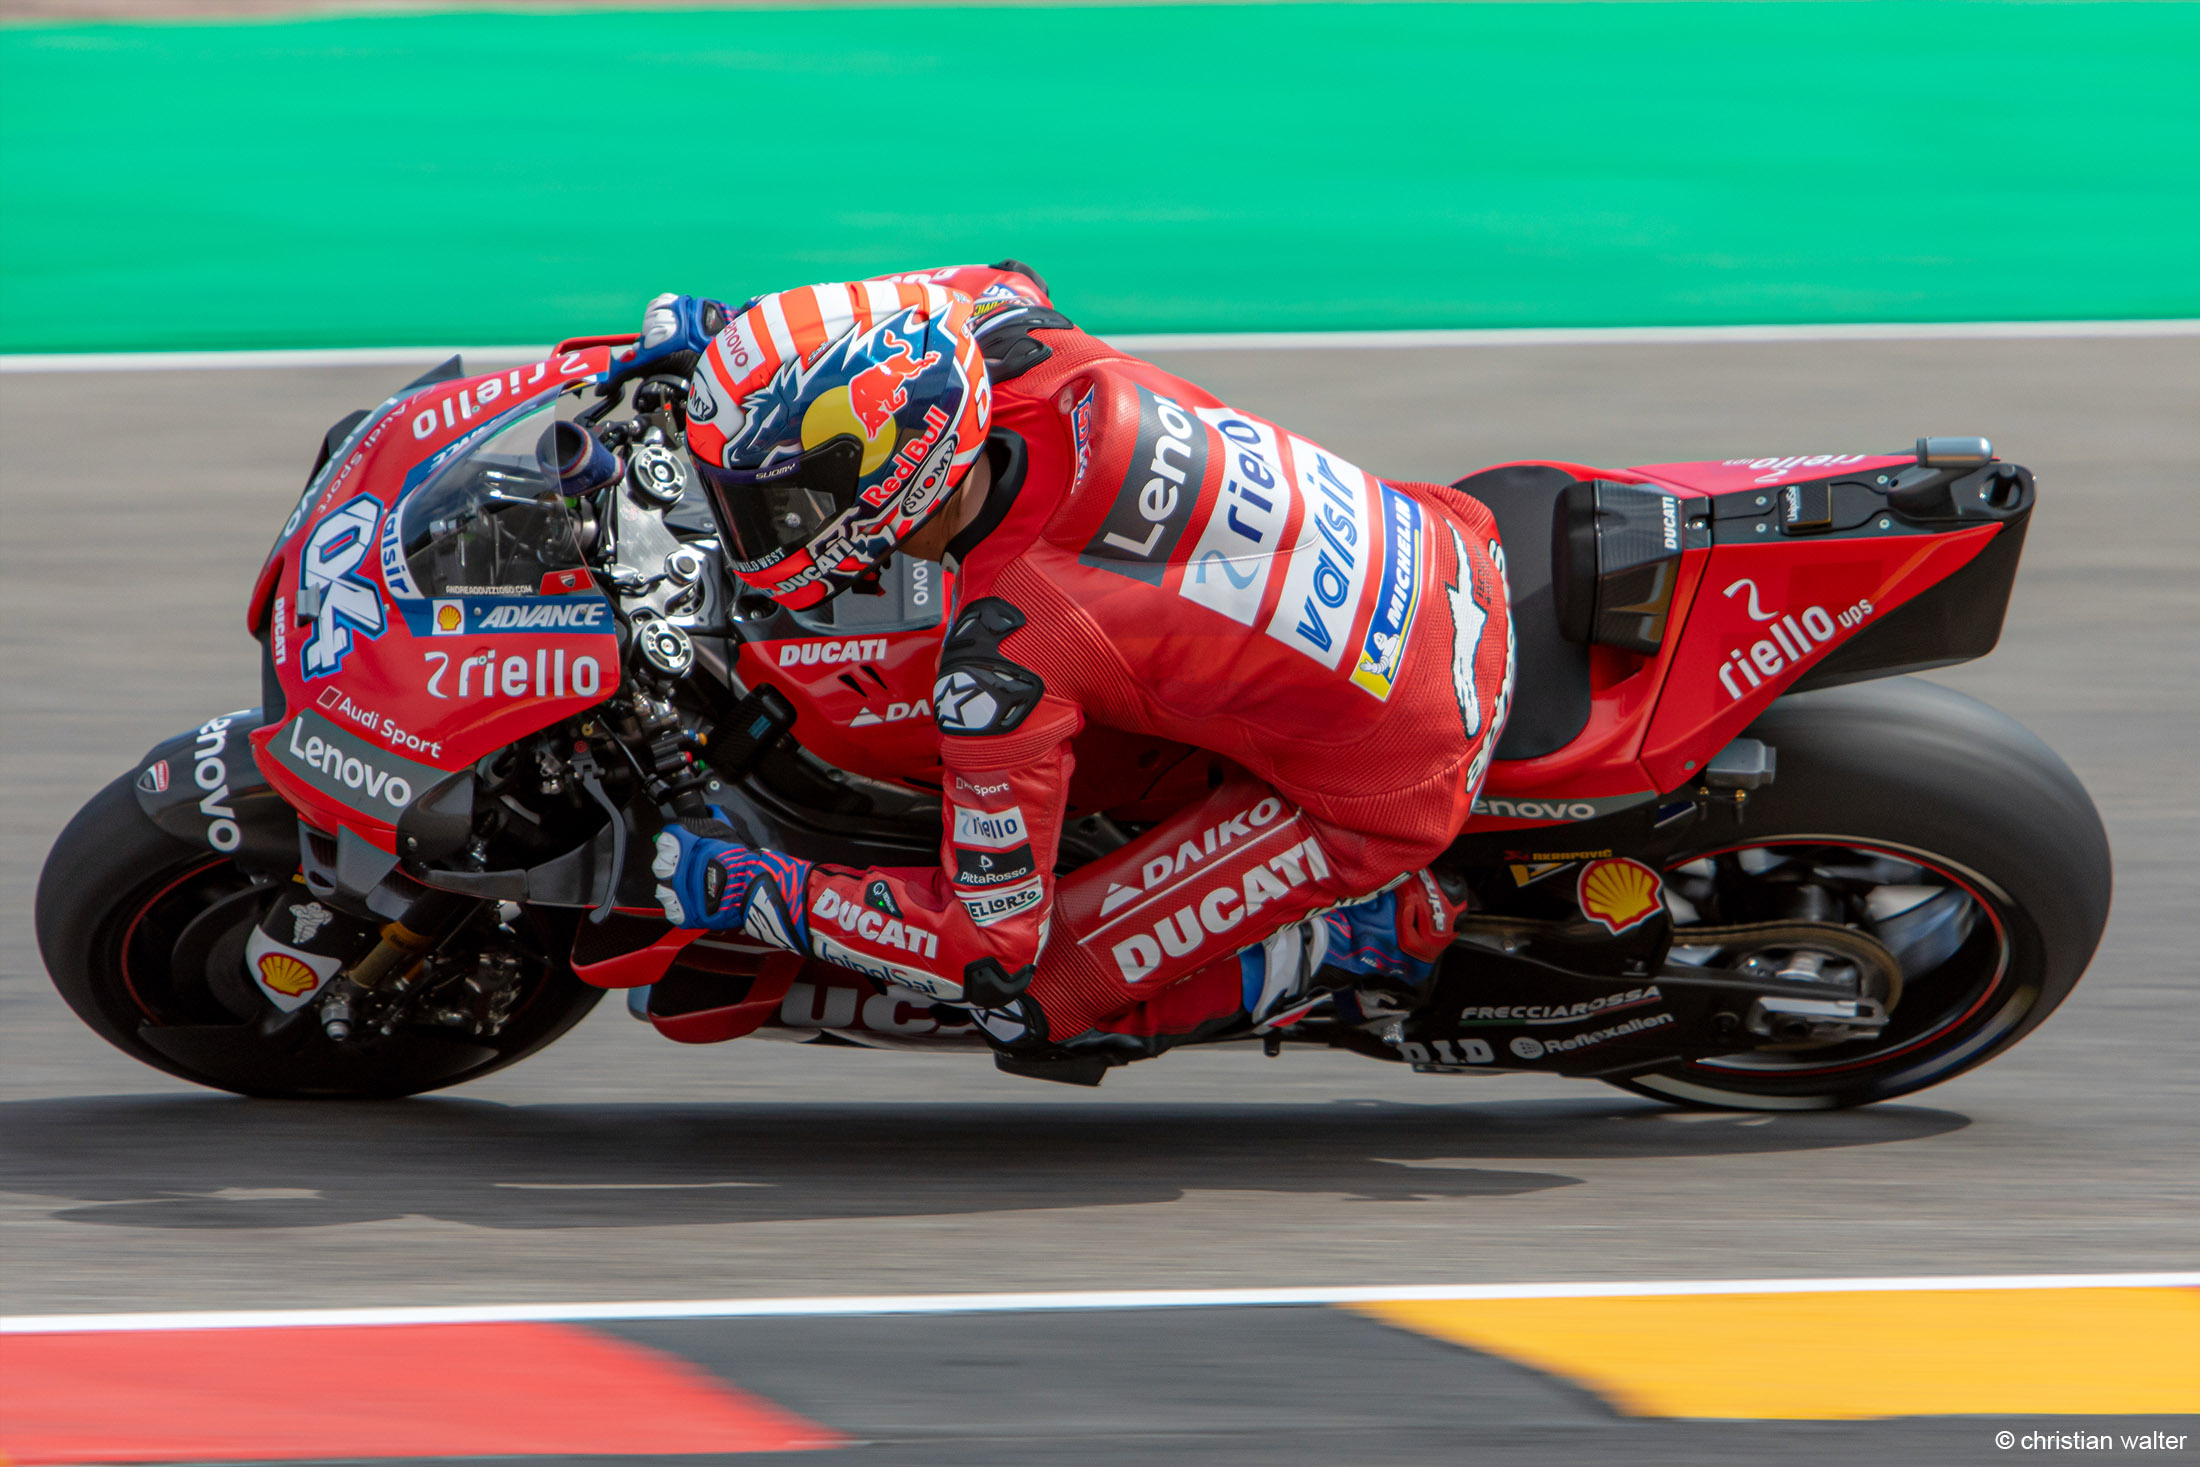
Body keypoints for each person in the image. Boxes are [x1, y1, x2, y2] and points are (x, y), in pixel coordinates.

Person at [640, 263, 1515, 1083]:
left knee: (1029, 1003)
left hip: (1404, 764)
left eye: (781, 503)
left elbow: (980, 948)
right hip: (1448, 545)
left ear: (884, 475)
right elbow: (986, 278)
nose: (763, 526)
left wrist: (751, 889)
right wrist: (746, 341)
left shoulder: (1009, 652)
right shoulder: (1023, 341)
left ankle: (1365, 938)